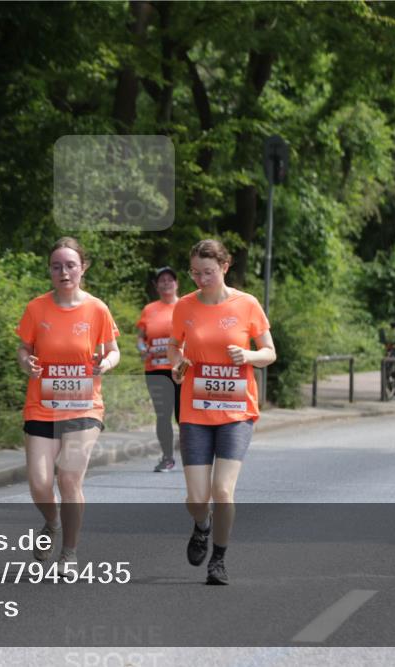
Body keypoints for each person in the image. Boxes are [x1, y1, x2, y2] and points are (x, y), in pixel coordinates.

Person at [167, 239, 276, 585]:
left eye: (208, 272)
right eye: (195, 273)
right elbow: (174, 345)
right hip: (195, 411)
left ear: (225, 267)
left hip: (236, 410)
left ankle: (219, 559)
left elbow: (270, 352)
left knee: (223, 491)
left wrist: (249, 357)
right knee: (197, 498)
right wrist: (176, 364)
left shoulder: (247, 304)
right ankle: (202, 525)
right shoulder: (184, 306)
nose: (201, 279)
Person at [16, 237, 120, 572]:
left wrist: (105, 364)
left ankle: (70, 552)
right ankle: (53, 522)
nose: (64, 272)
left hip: (83, 407)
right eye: (57, 266)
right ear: (50, 270)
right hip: (42, 406)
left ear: (83, 268)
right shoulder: (36, 308)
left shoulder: (97, 309)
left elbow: (114, 350)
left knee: (69, 478)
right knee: (39, 482)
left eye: (70, 265)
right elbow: (23, 348)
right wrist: (26, 363)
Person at [137, 267, 182, 472]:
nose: (166, 283)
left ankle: (193, 455)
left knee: (184, 415)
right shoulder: (149, 309)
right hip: (155, 369)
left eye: (170, 280)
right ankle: (167, 457)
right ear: (156, 285)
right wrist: (142, 350)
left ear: (176, 284)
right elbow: (140, 338)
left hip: (180, 368)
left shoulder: (185, 306)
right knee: (163, 415)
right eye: (161, 280)